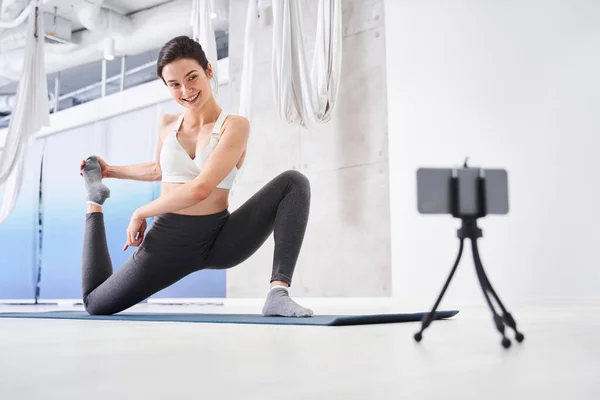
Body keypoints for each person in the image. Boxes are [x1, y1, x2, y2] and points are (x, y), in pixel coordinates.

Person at [78, 35, 313, 317]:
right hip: (169, 239)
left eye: (192, 78)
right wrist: (110, 171)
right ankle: (94, 199)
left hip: (220, 236)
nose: (186, 90)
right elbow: (158, 171)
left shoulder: (234, 126)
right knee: (96, 304)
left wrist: (141, 211)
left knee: (293, 182)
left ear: (209, 71)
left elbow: (201, 188)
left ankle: (278, 292)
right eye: (175, 84)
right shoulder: (166, 124)